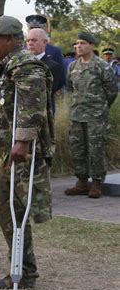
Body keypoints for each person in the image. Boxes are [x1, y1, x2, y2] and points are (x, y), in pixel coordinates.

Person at [0, 15, 54, 289]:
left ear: (11, 39)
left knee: (16, 209)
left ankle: (23, 271)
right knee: (5, 210)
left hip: (16, 150)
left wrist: (22, 142)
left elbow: (31, 106)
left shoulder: (24, 65)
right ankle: (22, 268)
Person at [64, 33, 117, 198]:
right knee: (77, 149)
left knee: (96, 149)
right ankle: (81, 182)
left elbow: (112, 91)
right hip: (77, 114)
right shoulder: (73, 66)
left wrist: (100, 107)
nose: (78, 46)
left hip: (96, 116)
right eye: (77, 43)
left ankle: (96, 183)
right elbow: (70, 87)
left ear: (92, 46)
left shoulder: (102, 66)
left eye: (83, 43)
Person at [26, 28, 63, 114]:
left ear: (45, 42)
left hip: (42, 111)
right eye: (28, 41)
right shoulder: (22, 64)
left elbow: (53, 88)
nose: (30, 43)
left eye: (34, 40)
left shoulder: (52, 66)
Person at [26, 14, 65, 88]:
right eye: (32, 28)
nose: (35, 30)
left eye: (38, 28)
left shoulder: (55, 51)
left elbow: (61, 79)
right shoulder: (22, 50)